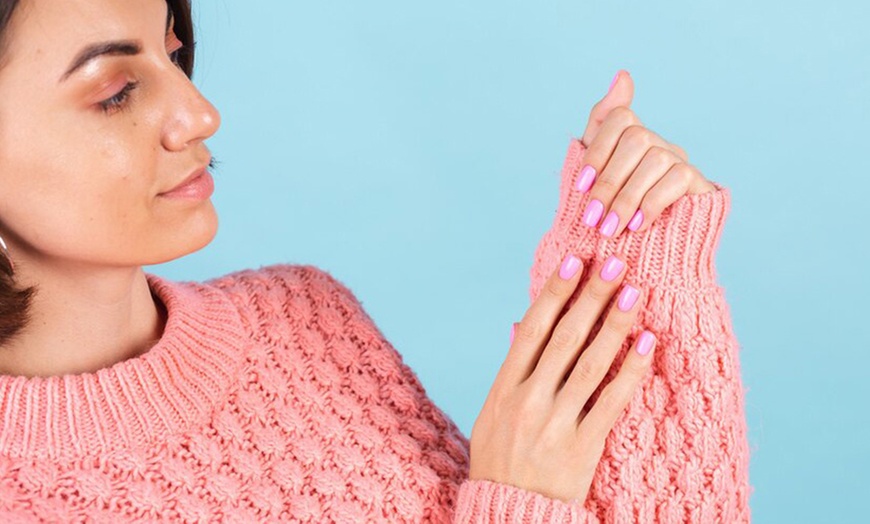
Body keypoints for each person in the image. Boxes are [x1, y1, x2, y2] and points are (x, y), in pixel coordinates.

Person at [0, 0, 752, 522]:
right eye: (117, 90)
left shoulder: (303, 318)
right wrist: (520, 502)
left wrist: (629, 258)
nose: (199, 113)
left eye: (173, 53)